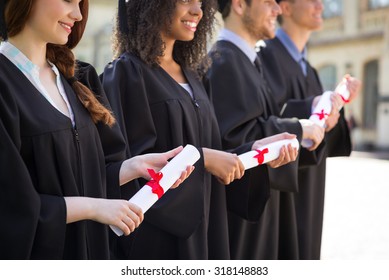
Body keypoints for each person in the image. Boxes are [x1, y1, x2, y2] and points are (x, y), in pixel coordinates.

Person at [101, 0, 297, 260]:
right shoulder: (127, 73)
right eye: (185, 0)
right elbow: (132, 170)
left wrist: (253, 151)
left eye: (201, 2)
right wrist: (205, 160)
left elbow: (210, 150)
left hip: (207, 230)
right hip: (157, 243)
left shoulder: (194, 76)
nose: (198, 10)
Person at [0, 0, 192, 260]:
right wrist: (93, 208)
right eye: (68, 0)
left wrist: (133, 168)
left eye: (81, 3)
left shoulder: (78, 79)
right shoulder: (5, 85)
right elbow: (11, 206)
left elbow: (85, 175)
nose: (78, 15)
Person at [204, 0, 329, 259]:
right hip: (244, 225)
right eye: (267, 2)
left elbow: (264, 122)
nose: (277, 9)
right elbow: (235, 141)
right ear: (239, 5)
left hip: (263, 216)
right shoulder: (224, 60)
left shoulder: (246, 60)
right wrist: (298, 128)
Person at [259, 0, 361, 259]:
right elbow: (263, 119)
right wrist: (311, 107)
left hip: (310, 185)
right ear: (286, 8)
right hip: (279, 190)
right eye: (312, 0)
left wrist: (333, 107)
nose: (320, 6)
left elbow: (322, 131)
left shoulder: (309, 69)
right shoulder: (263, 55)